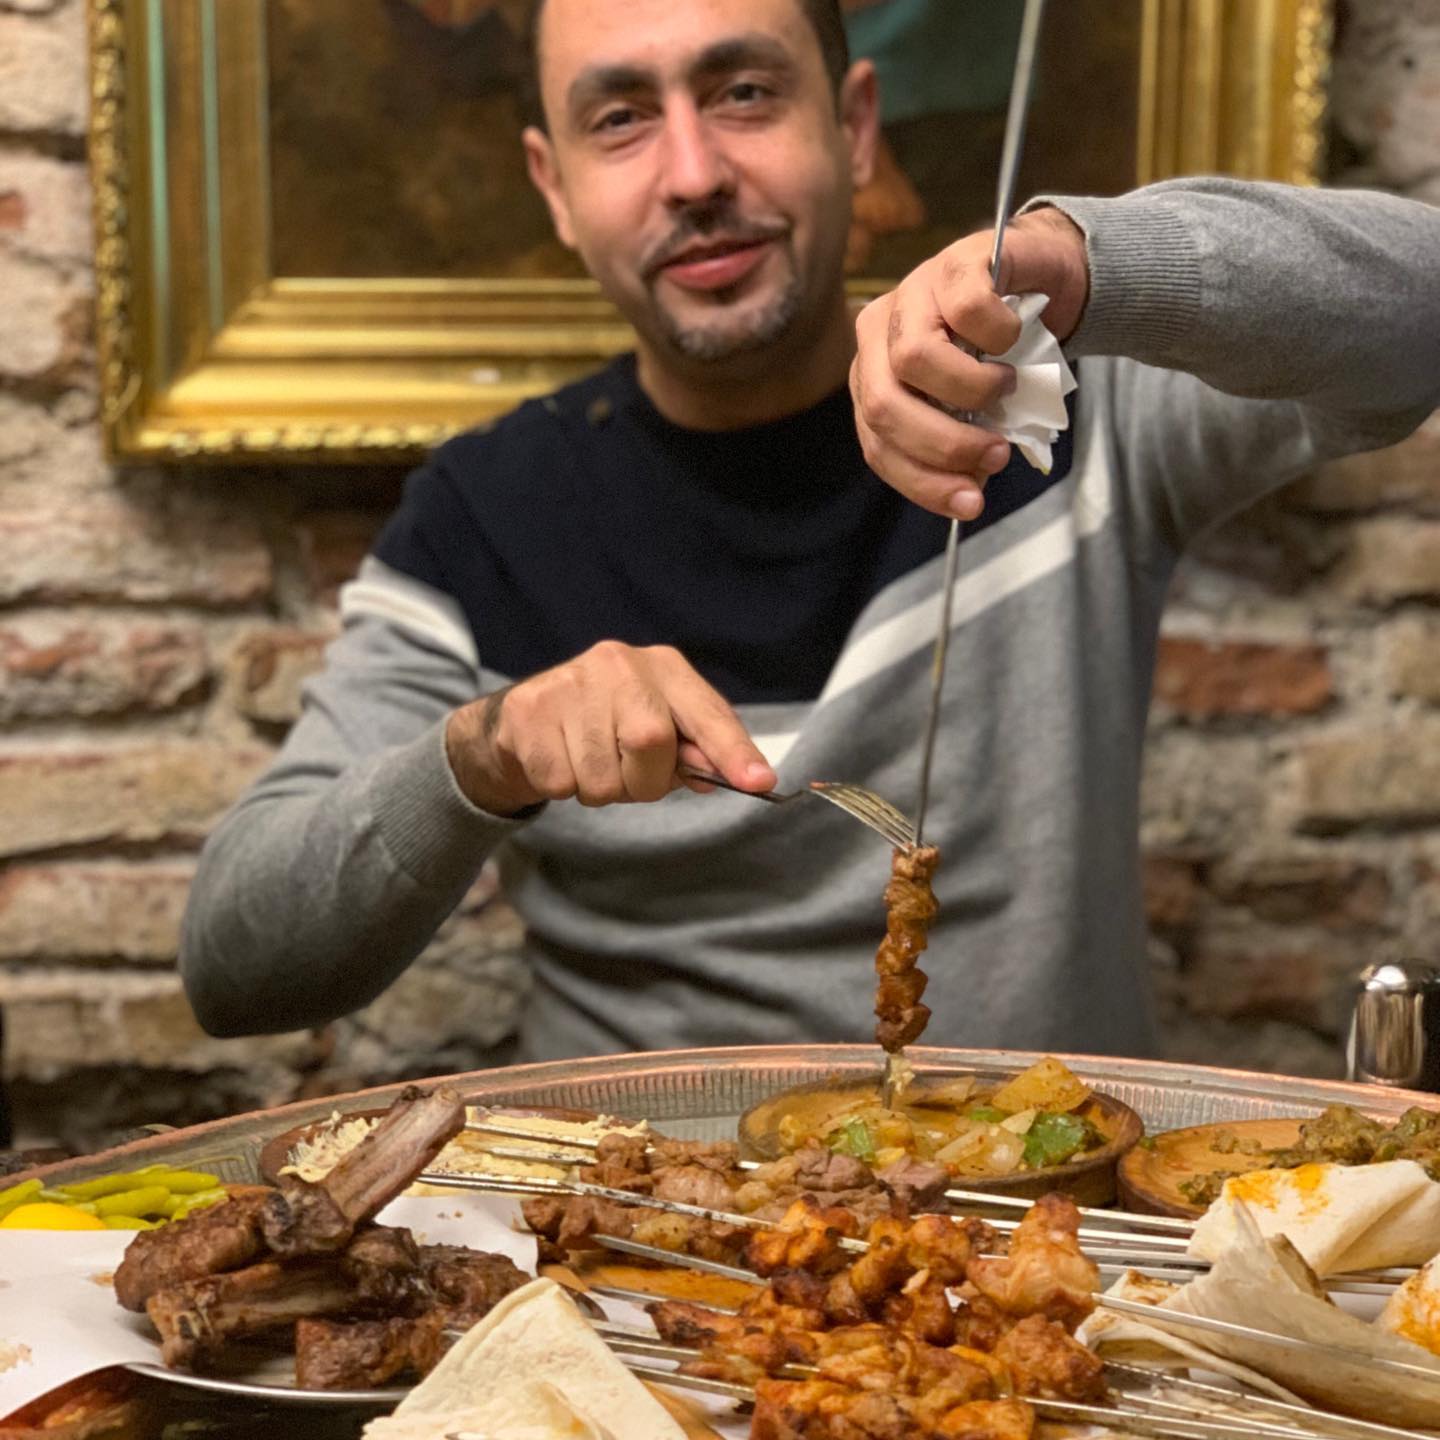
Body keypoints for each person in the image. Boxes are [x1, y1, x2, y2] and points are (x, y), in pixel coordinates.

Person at [180, 0, 1440, 1066]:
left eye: (743, 93)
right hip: (634, 1248)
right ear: (554, 189)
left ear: (854, 128)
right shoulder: (481, 519)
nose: (692, 175)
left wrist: (1090, 260)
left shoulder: (1062, 407)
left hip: (1038, 1234)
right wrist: (484, 756)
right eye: (619, 119)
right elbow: (236, 966)